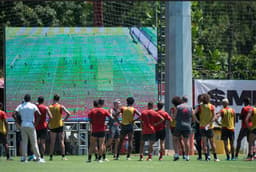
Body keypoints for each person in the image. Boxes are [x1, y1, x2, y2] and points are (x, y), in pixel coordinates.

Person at [12, 94, 43, 162]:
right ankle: (38, 158)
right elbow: (39, 115)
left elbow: (13, 114)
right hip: (31, 124)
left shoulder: (20, 106)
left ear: (24, 99)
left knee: (24, 142)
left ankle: (24, 158)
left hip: (23, 124)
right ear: (30, 99)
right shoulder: (32, 105)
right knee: (34, 143)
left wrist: (18, 122)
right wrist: (36, 124)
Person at [193, 93, 219, 161]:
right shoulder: (212, 106)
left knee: (204, 142)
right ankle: (215, 157)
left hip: (202, 126)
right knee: (212, 142)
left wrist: (197, 121)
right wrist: (211, 122)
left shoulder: (199, 106)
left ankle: (206, 157)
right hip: (209, 127)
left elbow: (193, 113)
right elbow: (214, 116)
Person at [48, 94, 71, 161]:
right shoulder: (61, 106)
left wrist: (48, 124)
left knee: (52, 142)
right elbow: (68, 113)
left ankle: (51, 156)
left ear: (53, 99)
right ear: (58, 99)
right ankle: (63, 156)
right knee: (61, 141)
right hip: (60, 125)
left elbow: (49, 117)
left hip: (52, 125)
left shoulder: (50, 107)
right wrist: (64, 120)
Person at [173, 96, 193, 161]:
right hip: (187, 126)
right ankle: (187, 156)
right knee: (186, 141)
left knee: (175, 139)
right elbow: (192, 116)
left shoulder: (178, 107)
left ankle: (176, 154)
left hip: (179, 125)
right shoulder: (190, 107)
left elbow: (175, 117)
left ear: (182, 100)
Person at [35, 96, 52, 160]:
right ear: (43, 101)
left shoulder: (35, 107)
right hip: (44, 126)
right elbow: (51, 116)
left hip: (36, 126)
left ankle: (36, 155)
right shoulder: (45, 107)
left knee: (36, 142)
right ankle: (42, 156)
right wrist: (47, 123)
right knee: (43, 142)